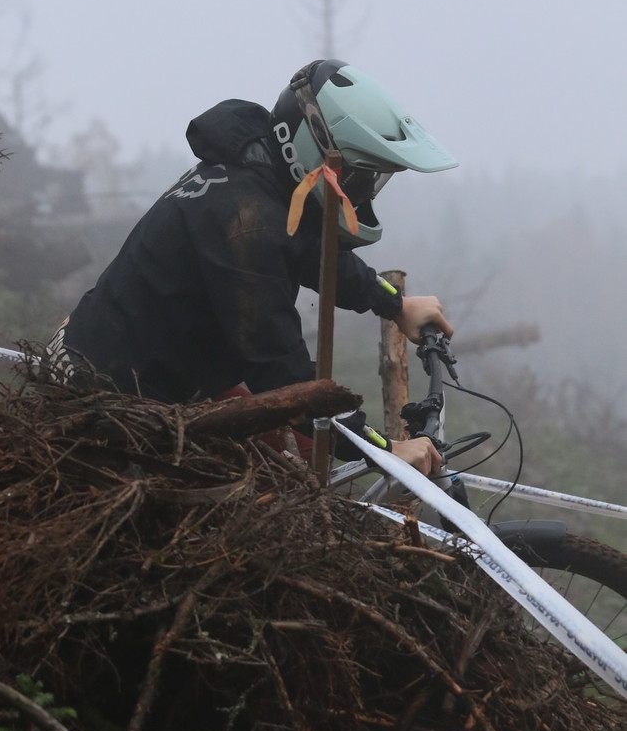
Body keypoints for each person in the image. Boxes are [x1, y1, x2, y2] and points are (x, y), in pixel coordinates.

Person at [48, 59, 457, 476]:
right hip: (106, 403)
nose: (363, 192)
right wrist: (383, 448)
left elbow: (307, 245)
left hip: (141, 371)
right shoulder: (246, 223)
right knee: (269, 480)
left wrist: (393, 303)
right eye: (359, 177)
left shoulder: (259, 172)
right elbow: (285, 378)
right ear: (318, 151)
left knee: (287, 450)